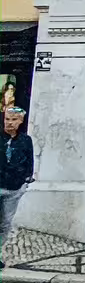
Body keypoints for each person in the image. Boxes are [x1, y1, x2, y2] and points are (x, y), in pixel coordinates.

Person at [0, 105, 36, 246]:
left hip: (14, 189)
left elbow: (29, 162)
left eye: (14, 119)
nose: (9, 122)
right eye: (7, 119)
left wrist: (25, 181)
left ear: (20, 121)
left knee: (5, 224)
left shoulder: (25, 140)